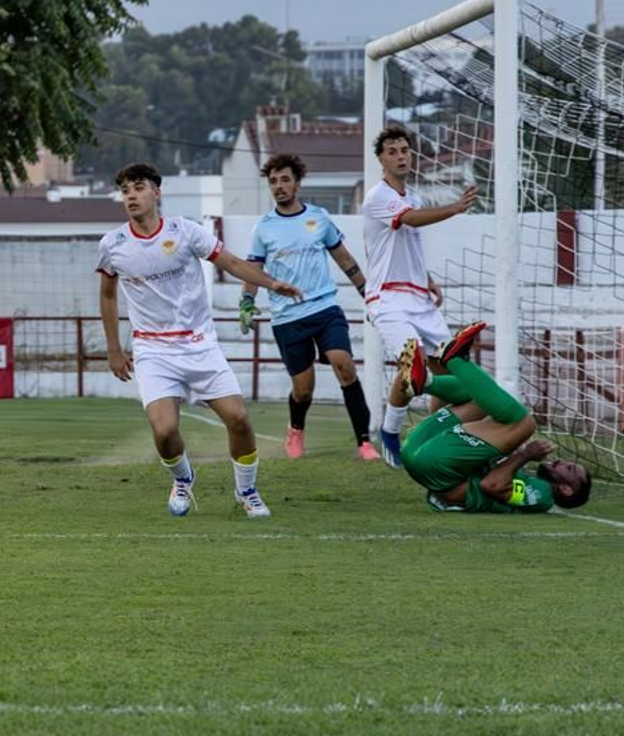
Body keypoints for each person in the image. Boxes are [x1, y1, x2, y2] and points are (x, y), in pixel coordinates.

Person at [98, 163, 302, 519]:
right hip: (153, 350)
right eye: (125, 190)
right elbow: (107, 295)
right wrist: (115, 349)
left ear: (156, 193)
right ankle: (182, 478)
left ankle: (247, 491)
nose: (131, 195)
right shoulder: (113, 244)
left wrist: (272, 284)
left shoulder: (186, 231)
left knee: (238, 418)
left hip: (199, 345)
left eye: (139, 187)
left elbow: (233, 262)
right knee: (164, 431)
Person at [239, 153, 376, 461]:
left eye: (285, 179)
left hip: (325, 308)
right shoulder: (263, 228)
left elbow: (344, 259)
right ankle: (296, 429)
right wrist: (246, 301)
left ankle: (365, 442)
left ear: (297, 183)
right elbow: (252, 269)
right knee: (303, 389)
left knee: (344, 365)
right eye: (273, 181)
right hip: (288, 318)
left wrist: (368, 292)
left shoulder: (319, 217)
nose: (279, 186)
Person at [362, 124, 477, 469]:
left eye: (405, 150)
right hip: (388, 299)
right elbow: (410, 220)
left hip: (419, 300)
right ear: (381, 158)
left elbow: (406, 243)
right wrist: (455, 208)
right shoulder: (378, 197)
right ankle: (390, 431)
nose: (400, 156)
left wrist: (427, 280)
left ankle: (432, 433)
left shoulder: (414, 196)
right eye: (393, 151)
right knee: (412, 366)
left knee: (452, 371)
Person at [395, 324, 591, 514]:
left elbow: (492, 485)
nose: (563, 462)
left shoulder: (543, 497)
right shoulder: (530, 481)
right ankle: (424, 382)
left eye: (570, 468)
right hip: (417, 451)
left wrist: (525, 455)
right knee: (482, 396)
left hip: (435, 466)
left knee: (524, 424)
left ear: (566, 489)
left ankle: (454, 359)